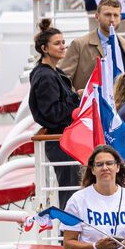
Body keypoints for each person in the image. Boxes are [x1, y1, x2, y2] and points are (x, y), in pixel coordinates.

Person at [28, 20, 81, 205]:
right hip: (59, 141)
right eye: (57, 43)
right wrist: (75, 100)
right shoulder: (46, 76)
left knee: (72, 187)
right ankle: (66, 232)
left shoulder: (52, 72)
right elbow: (52, 113)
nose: (63, 46)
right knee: (70, 189)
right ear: (44, 48)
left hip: (63, 140)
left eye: (63, 42)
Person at [60, 0, 125, 91]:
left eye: (116, 15)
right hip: (90, 103)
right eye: (107, 15)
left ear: (120, 18)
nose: (112, 19)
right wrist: (78, 97)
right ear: (97, 16)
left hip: (119, 102)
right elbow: (63, 80)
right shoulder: (79, 44)